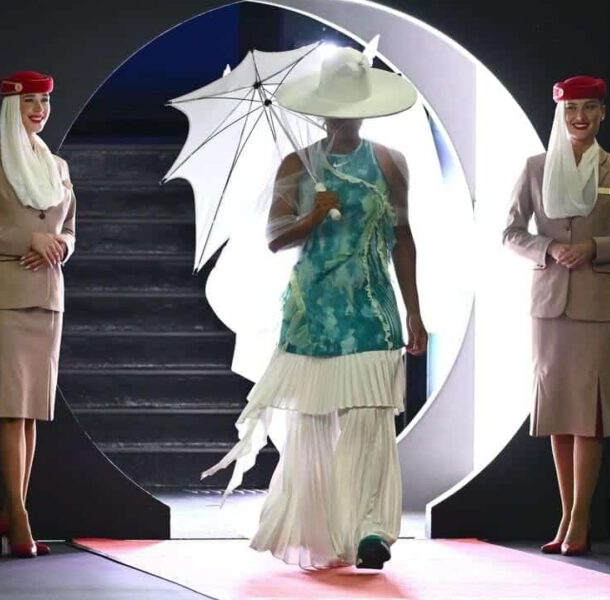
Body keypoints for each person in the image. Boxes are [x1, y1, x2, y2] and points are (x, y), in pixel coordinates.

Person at [202, 46, 427, 570]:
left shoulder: (391, 162)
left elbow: (403, 236)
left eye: (353, 103)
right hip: (313, 311)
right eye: (336, 104)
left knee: (371, 420)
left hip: (373, 308)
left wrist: (416, 311)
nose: (344, 113)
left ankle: (373, 528)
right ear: (322, 108)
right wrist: (311, 217)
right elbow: (275, 239)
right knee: (314, 426)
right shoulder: (296, 164)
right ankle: (326, 532)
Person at [503, 75, 610, 556]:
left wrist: (593, 247)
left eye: (588, 108)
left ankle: (580, 517)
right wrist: (547, 248)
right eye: (570, 109)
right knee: (560, 413)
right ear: (559, 114)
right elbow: (510, 233)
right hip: (549, 305)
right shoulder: (535, 166)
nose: (579, 117)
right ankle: (564, 514)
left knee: (590, 416)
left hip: (597, 306)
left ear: (603, 113)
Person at [0, 70, 77, 559]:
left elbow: (70, 232)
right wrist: (26, 240)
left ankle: (13, 510)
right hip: (3, 298)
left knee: (30, 414)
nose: (40, 110)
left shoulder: (58, 165)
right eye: (30, 101)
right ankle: (20, 517)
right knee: (10, 410)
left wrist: (57, 247)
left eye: (45, 101)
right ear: (12, 105)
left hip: (47, 297)